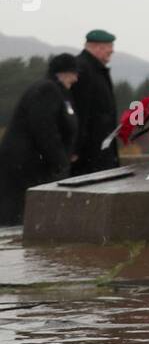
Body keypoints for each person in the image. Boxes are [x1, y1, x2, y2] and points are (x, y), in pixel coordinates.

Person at [0, 54, 79, 225]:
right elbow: (44, 129)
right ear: (63, 73)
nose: (76, 78)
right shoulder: (47, 90)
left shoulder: (59, 92)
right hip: (25, 165)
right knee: (15, 213)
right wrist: (60, 160)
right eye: (73, 73)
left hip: (33, 163)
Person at [71, 29, 120, 176]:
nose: (111, 53)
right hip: (89, 152)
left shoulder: (96, 70)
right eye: (109, 49)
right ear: (97, 47)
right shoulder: (83, 70)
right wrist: (76, 148)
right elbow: (80, 110)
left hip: (99, 148)